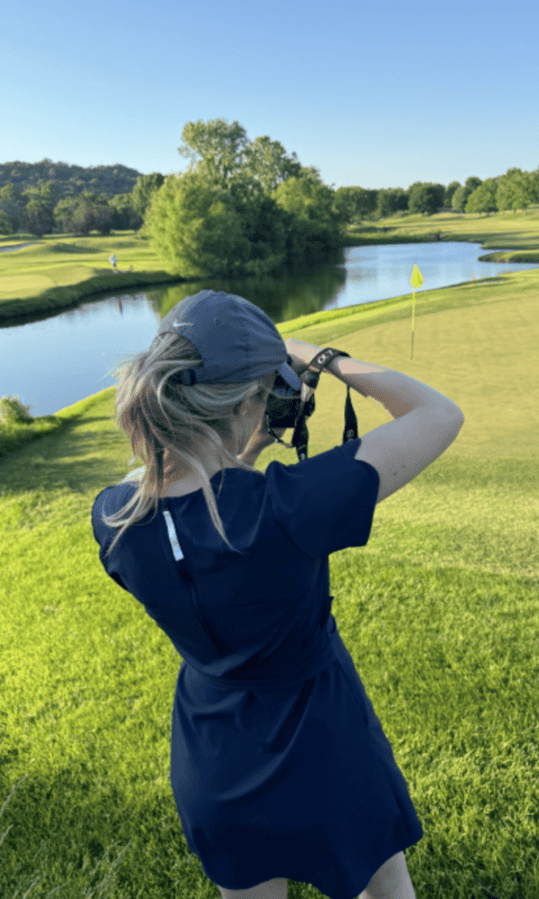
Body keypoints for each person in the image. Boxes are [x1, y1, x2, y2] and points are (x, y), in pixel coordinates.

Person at [91, 290, 464, 899]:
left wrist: (246, 447)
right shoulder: (289, 506)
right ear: (245, 401)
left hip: (213, 752)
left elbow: (197, 517)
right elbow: (438, 414)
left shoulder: (113, 518)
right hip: (325, 738)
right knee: (385, 889)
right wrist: (322, 356)